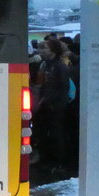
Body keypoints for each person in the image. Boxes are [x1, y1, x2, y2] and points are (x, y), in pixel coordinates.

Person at [34, 37, 71, 175]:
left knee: (56, 134)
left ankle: (58, 162)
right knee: (44, 134)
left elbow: (63, 88)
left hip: (56, 107)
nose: (41, 51)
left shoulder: (60, 66)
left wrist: (54, 103)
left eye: (45, 48)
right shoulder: (45, 65)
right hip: (45, 104)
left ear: (54, 51)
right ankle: (47, 160)